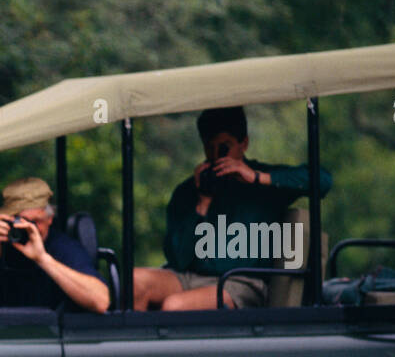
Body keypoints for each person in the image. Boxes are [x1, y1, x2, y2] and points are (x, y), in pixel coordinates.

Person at [134, 106, 333, 310]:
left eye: (224, 147)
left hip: (240, 283)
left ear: (243, 143)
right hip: (188, 277)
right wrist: (202, 203)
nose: (216, 156)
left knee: (175, 305)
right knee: (134, 283)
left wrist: (257, 178)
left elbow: (323, 181)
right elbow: (177, 258)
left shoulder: (263, 182)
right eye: (209, 148)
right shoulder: (189, 191)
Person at [0, 178, 109, 313]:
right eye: (19, 220)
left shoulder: (62, 247)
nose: (27, 227)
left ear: (50, 219)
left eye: (35, 221)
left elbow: (101, 301)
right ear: (5, 218)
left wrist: (43, 259)